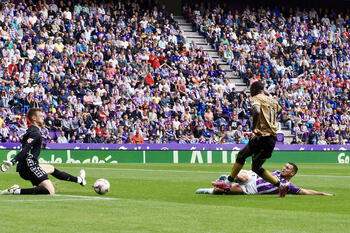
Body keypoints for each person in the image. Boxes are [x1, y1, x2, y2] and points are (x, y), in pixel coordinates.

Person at [212, 81, 288, 197]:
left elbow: (257, 111)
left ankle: (227, 183)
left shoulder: (256, 98)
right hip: (272, 138)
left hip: (262, 136)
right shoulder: (273, 101)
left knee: (243, 157)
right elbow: (279, 111)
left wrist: (254, 128)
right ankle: (281, 186)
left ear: (254, 90)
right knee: (254, 166)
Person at [0, 108, 86, 195]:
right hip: (29, 166)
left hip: (26, 165)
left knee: (51, 168)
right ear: (34, 118)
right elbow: (25, 149)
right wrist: (12, 161)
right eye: (40, 116)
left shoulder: (32, 130)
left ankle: (79, 180)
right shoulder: (35, 133)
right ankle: (15, 191)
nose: (43, 118)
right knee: (50, 191)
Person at [197, 163, 333, 196]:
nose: (284, 169)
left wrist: (322, 193)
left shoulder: (288, 185)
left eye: (287, 168)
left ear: (292, 172)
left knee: (219, 191)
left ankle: (211, 189)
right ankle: (226, 179)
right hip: (252, 177)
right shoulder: (276, 173)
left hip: (252, 189)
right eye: (284, 167)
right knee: (241, 177)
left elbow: (305, 191)